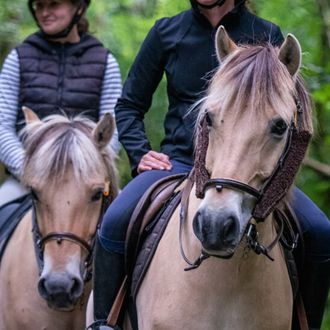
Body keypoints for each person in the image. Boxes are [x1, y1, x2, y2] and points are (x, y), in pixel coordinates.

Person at [89, 0, 330, 329]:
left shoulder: (266, 35)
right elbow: (129, 105)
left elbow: (289, 118)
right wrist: (140, 151)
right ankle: (104, 322)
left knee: (319, 231)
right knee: (116, 219)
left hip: (249, 173)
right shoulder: (166, 32)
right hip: (176, 163)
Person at [0, 0, 121, 206]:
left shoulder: (105, 62)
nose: (44, 13)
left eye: (53, 4)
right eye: (39, 6)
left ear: (79, 8)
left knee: (126, 221)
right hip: (27, 179)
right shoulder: (17, 59)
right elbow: (2, 126)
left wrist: (87, 169)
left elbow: (113, 130)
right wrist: (31, 168)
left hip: (86, 180)